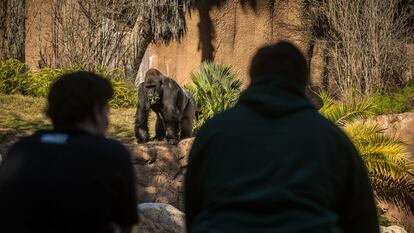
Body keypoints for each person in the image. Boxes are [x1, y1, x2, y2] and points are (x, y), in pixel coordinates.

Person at [184, 42, 380, 233]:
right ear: (303, 81)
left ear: (253, 76)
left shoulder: (214, 132)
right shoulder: (330, 137)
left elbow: (193, 209)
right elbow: (363, 221)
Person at [0, 72, 138, 233]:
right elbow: (126, 225)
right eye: (106, 109)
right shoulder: (111, 154)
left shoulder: (22, 148)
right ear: (96, 111)